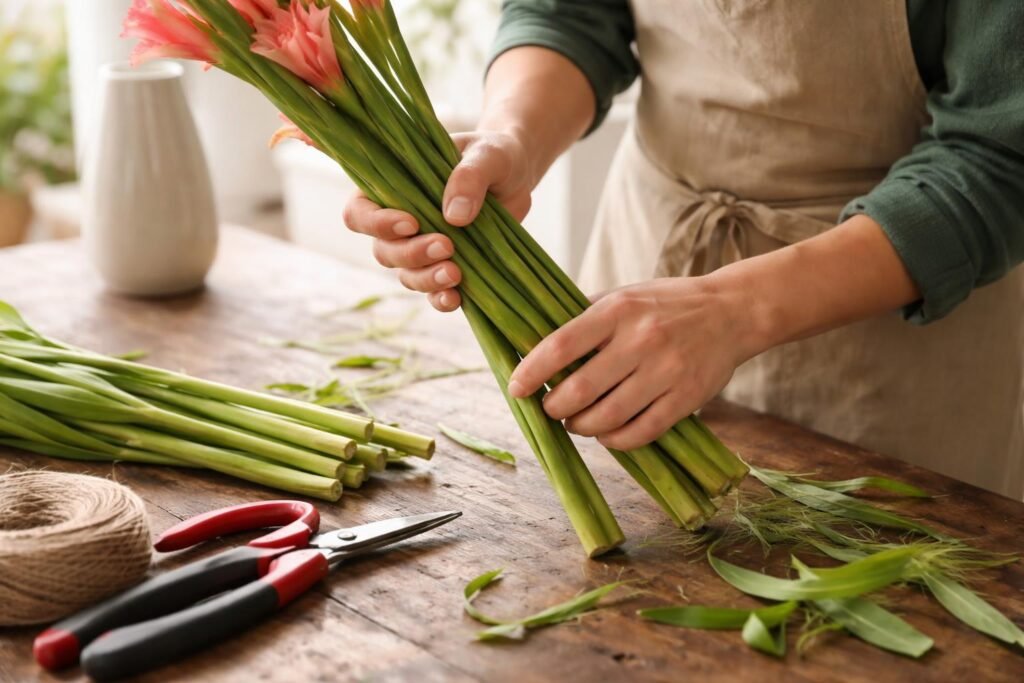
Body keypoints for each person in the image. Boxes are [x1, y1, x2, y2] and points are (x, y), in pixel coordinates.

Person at [343, 1, 1024, 499]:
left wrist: (732, 310)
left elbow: (1000, 158)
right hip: (649, 260)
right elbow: (569, 13)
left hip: (890, 326)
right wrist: (510, 138)